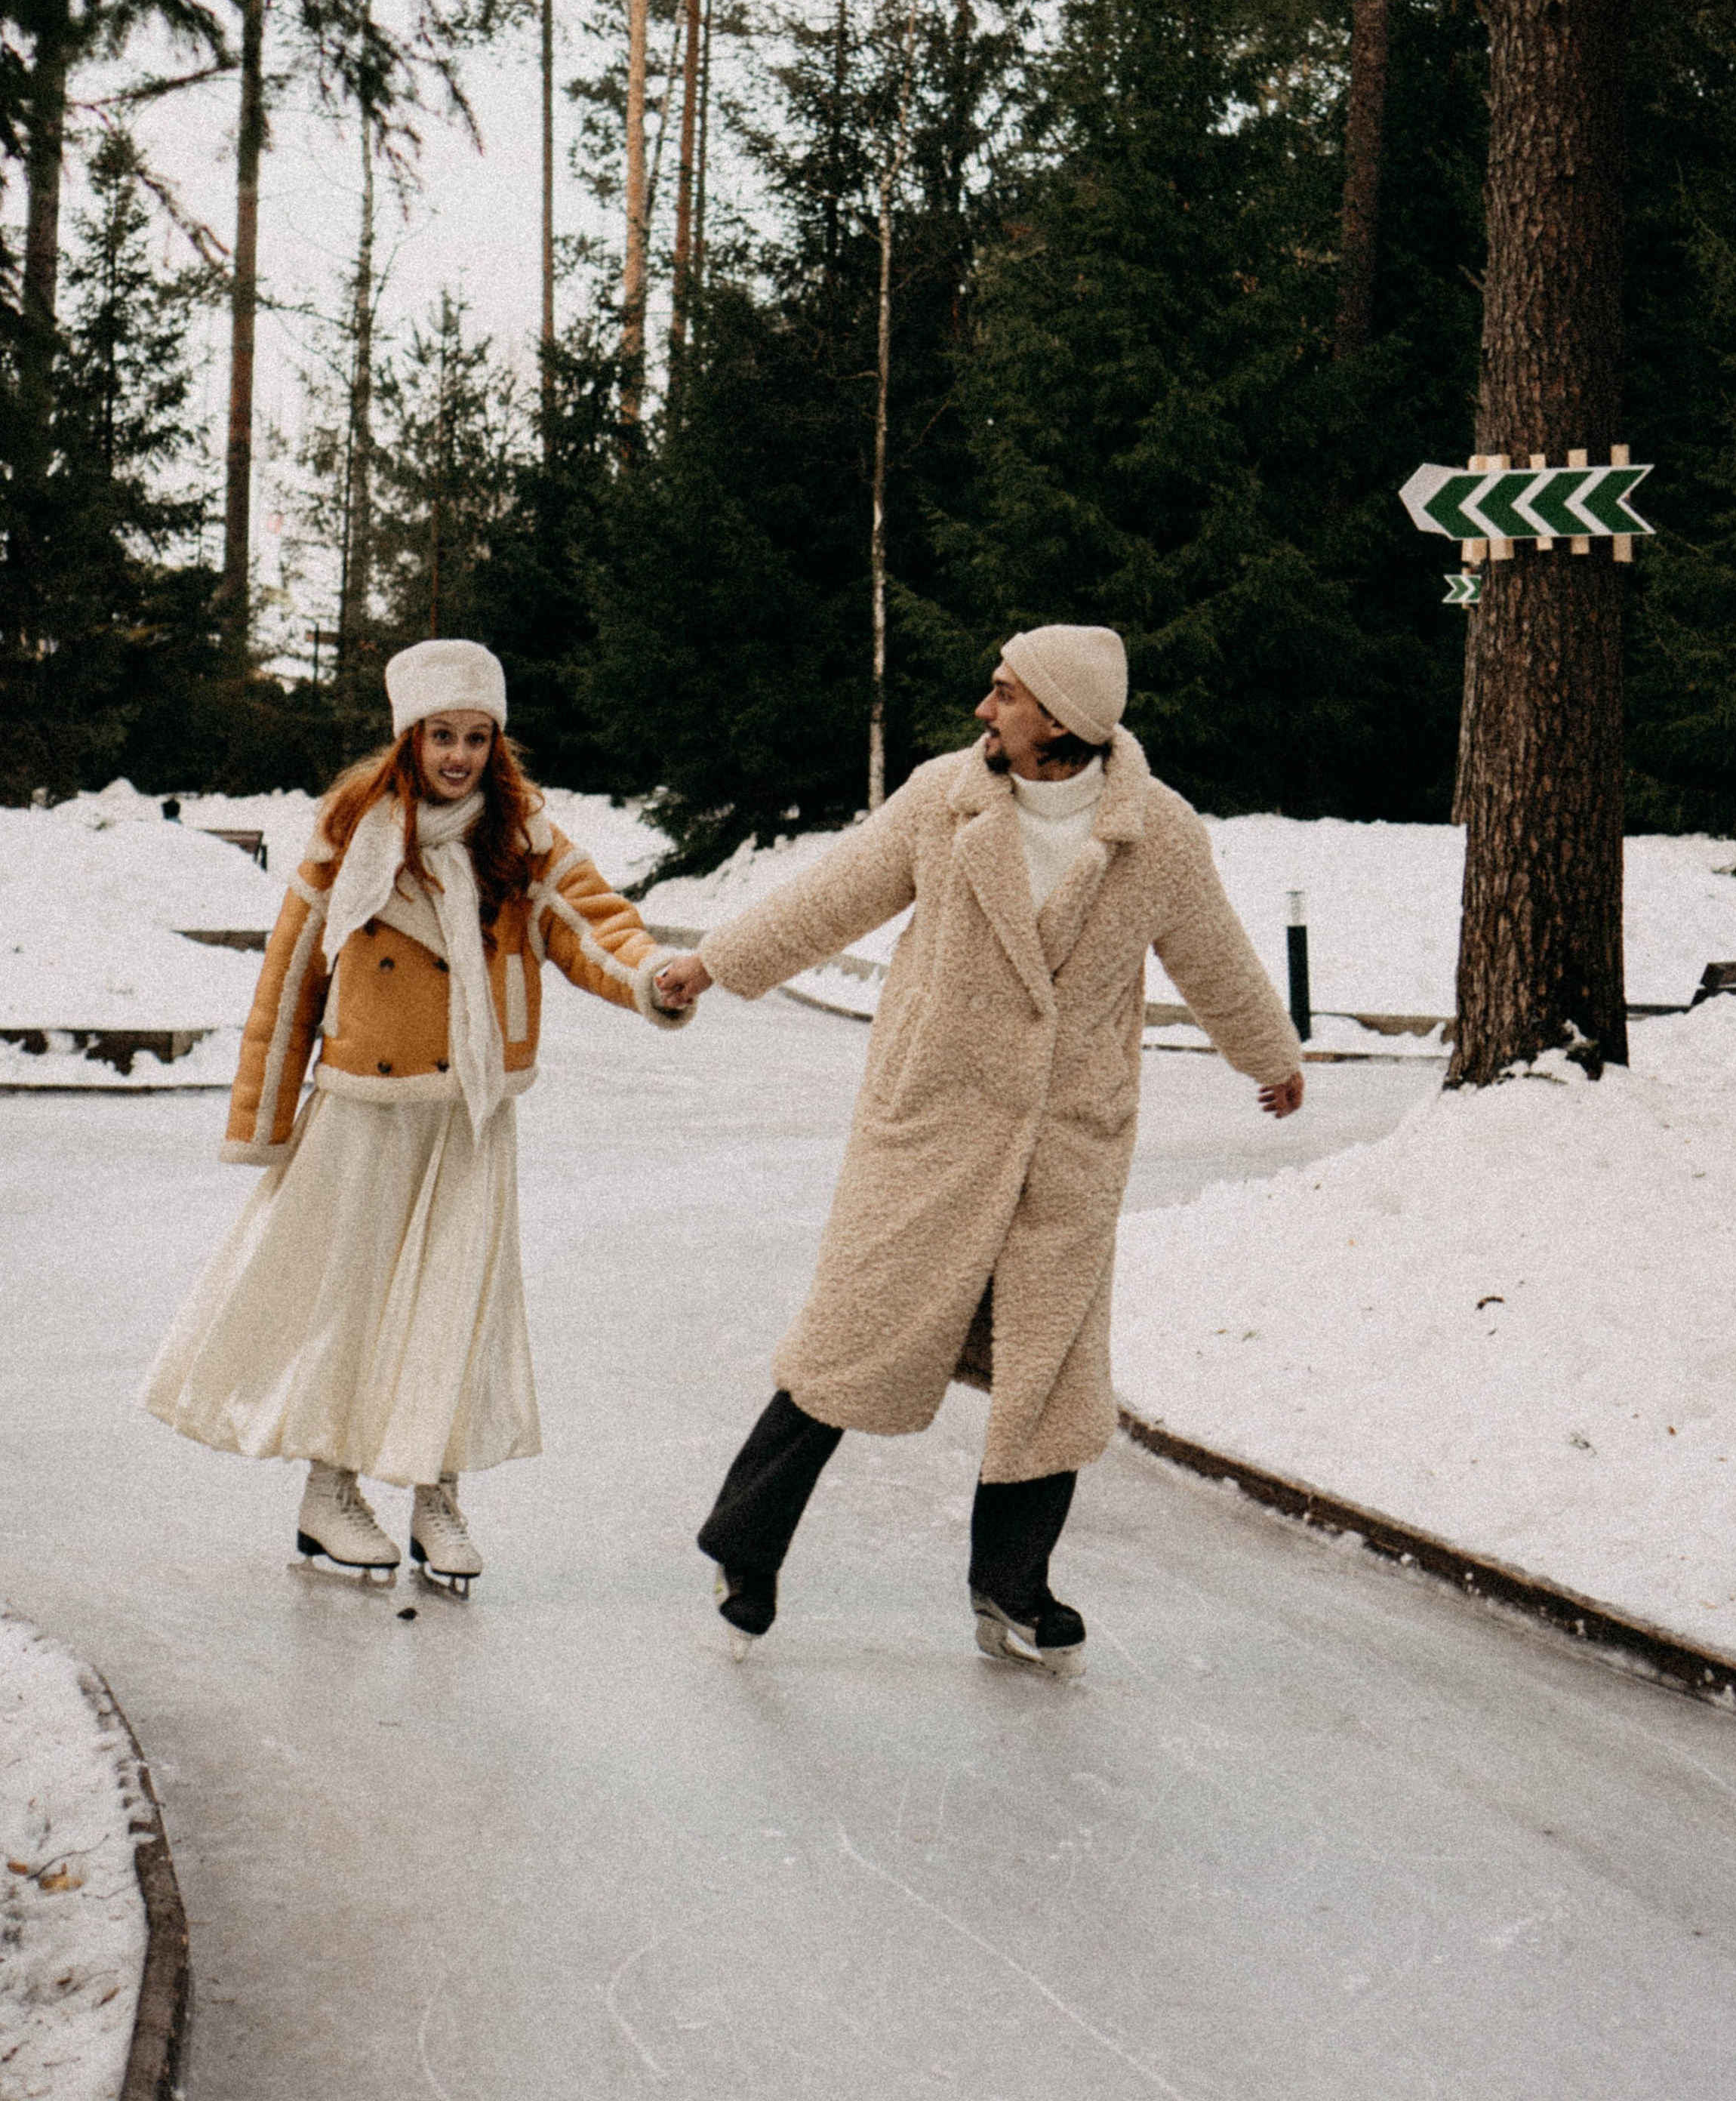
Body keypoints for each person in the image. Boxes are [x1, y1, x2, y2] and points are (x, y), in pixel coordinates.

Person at [653, 624, 1304, 1675]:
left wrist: (1268, 1054)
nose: (982, 709)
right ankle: (745, 1546)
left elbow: (1213, 952)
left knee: (1050, 1375)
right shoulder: (944, 799)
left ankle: (1013, 1586)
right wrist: (714, 966)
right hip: (934, 1126)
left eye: (1004, 694)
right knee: (847, 1342)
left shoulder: (1160, 835)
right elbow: (833, 898)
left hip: (1065, 1144)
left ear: (1063, 718)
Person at [141, 639, 693, 1589]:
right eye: (443, 735)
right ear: (408, 737)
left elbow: (593, 923)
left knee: (456, 1304)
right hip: (365, 1107)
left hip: (471, 1110)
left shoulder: (523, 838)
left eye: (478, 738)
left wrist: (650, 977)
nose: (460, 756)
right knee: (348, 1302)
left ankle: (436, 1493)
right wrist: (263, 1118)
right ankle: (330, 1492)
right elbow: (292, 973)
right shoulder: (352, 834)